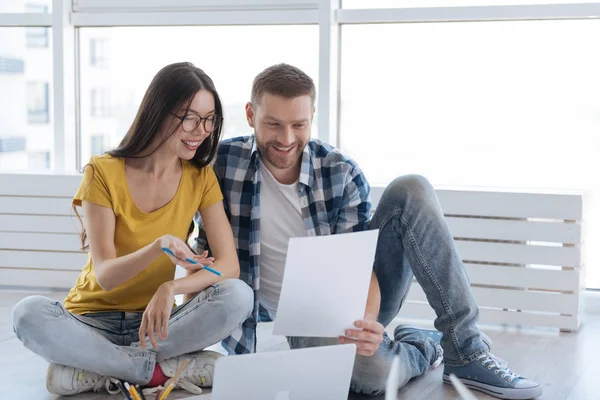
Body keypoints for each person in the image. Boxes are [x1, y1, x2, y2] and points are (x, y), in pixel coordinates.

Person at [193, 63, 543, 399]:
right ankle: (422, 344)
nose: (286, 139)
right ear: (251, 115)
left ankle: (467, 352)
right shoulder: (221, 165)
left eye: (298, 125)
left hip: (350, 298)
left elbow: (361, 263)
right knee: (373, 376)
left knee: (412, 188)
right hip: (299, 320)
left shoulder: (339, 171)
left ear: (312, 116)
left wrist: (366, 325)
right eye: (273, 124)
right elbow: (203, 251)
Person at [11, 62, 253, 397]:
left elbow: (229, 266)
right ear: (159, 112)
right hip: (91, 320)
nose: (202, 130)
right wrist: (158, 247)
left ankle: (99, 370)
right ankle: (154, 370)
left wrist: (171, 287)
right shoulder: (103, 172)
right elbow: (106, 275)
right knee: (26, 314)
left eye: (210, 119)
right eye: (190, 118)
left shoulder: (200, 177)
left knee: (239, 295)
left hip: (156, 324)